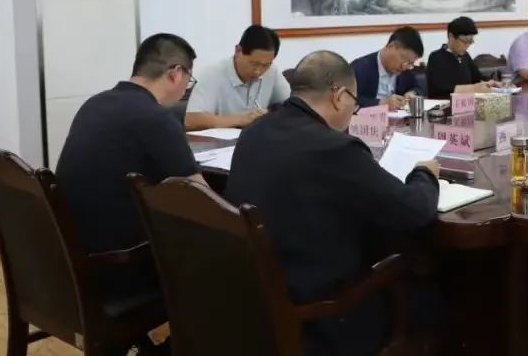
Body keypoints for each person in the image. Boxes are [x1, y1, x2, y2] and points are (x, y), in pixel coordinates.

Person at [226, 51, 439, 356]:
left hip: (254, 302)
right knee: (433, 295)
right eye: (354, 103)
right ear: (339, 97)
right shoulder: (335, 148)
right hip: (323, 314)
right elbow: (414, 210)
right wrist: (424, 174)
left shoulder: (255, 131)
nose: (353, 111)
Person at [55, 34, 205, 318]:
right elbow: (202, 199)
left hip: (69, 257)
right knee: (220, 250)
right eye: (189, 81)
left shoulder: (95, 104)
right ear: (175, 73)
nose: (186, 88)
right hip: (118, 267)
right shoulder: (156, 118)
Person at [185, 24, 291, 130]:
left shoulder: (272, 71)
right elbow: (190, 120)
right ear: (238, 51)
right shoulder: (211, 74)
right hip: (222, 140)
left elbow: (294, 104)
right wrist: (241, 119)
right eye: (254, 63)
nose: (258, 71)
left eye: (266, 65)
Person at [352, 26, 425, 110]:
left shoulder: (406, 70)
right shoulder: (360, 69)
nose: (404, 66)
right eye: (403, 59)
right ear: (391, 46)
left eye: (410, 63)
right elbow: (350, 101)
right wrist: (381, 103)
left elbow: (418, 88)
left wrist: (412, 93)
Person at [425, 16, 497, 99]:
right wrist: (473, 88)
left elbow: (478, 78)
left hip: (468, 103)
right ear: (451, 36)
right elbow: (442, 90)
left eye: (470, 41)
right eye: (465, 41)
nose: (468, 45)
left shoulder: (465, 56)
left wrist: (492, 83)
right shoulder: (436, 58)